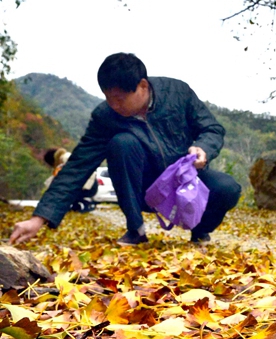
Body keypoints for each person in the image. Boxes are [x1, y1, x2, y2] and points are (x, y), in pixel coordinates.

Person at [10, 53, 241, 247]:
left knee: (227, 189)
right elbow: (78, 166)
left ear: (142, 86)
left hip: (185, 182)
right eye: (108, 99)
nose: (114, 106)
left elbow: (211, 129)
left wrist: (203, 148)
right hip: (145, 189)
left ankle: (200, 229)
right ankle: (135, 229)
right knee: (121, 143)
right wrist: (39, 219)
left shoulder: (177, 92)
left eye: (119, 99)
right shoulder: (105, 117)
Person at [43, 147, 99, 213]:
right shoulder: (67, 157)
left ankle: (86, 203)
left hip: (87, 185)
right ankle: (78, 205)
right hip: (89, 184)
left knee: (67, 193)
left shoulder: (65, 158)